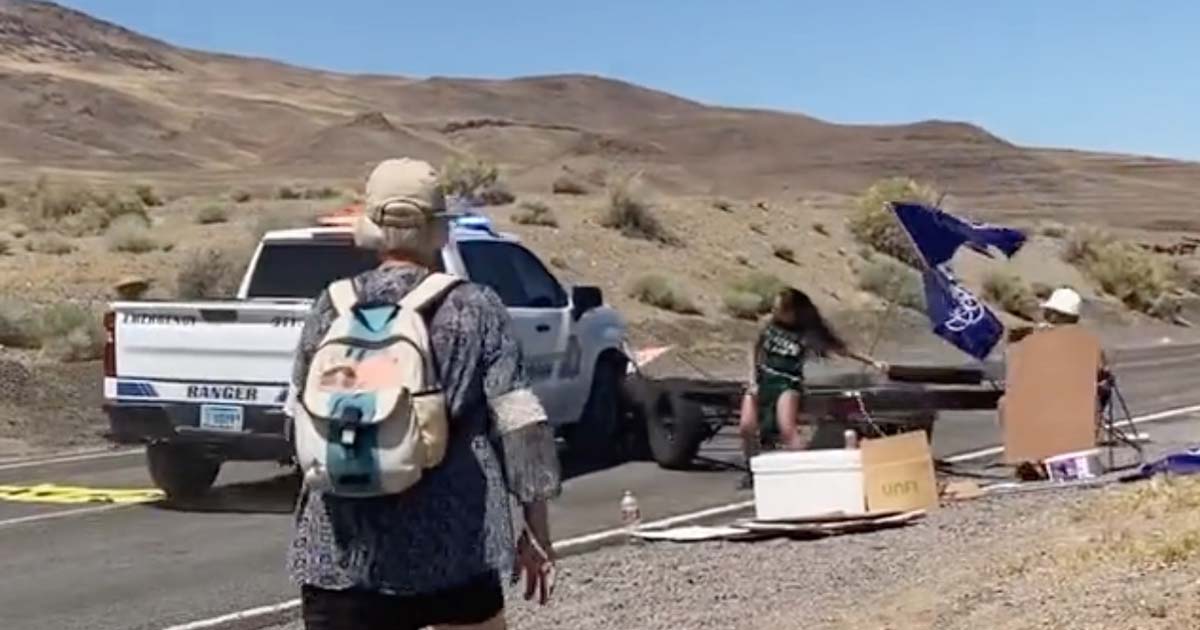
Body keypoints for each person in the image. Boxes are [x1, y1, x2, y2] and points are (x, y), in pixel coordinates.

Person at [286, 158, 561, 630]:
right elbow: (519, 421)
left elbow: (295, 418)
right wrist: (535, 528)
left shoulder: (330, 306)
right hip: (454, 549)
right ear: (439, 228)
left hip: (339, 554)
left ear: (372, 226)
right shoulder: (475, 307)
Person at [737, 287, 888, 488]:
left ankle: (803, 472)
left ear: (793, 312)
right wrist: (752, 378)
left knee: (787, 429)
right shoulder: (767, 323)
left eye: (779, 309)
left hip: (787, 382)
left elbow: (841, 349)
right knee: (746, 426)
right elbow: (753, 349)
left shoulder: (806, 334)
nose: (774, 312)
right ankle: (750, 469)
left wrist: (872, 362)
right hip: (763, 378)